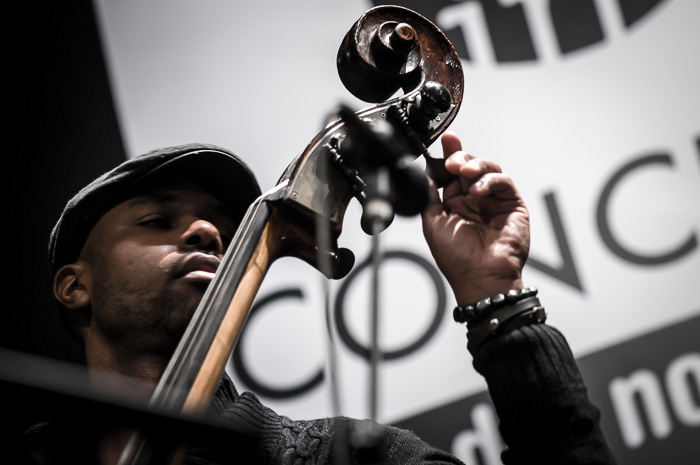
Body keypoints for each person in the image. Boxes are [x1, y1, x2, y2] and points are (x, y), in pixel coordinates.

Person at [21, 133, 617, 464]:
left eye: (223, 230)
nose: (207, 234)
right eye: (156, 220)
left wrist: (499, 299)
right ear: (75, 286)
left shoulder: (343, 458)